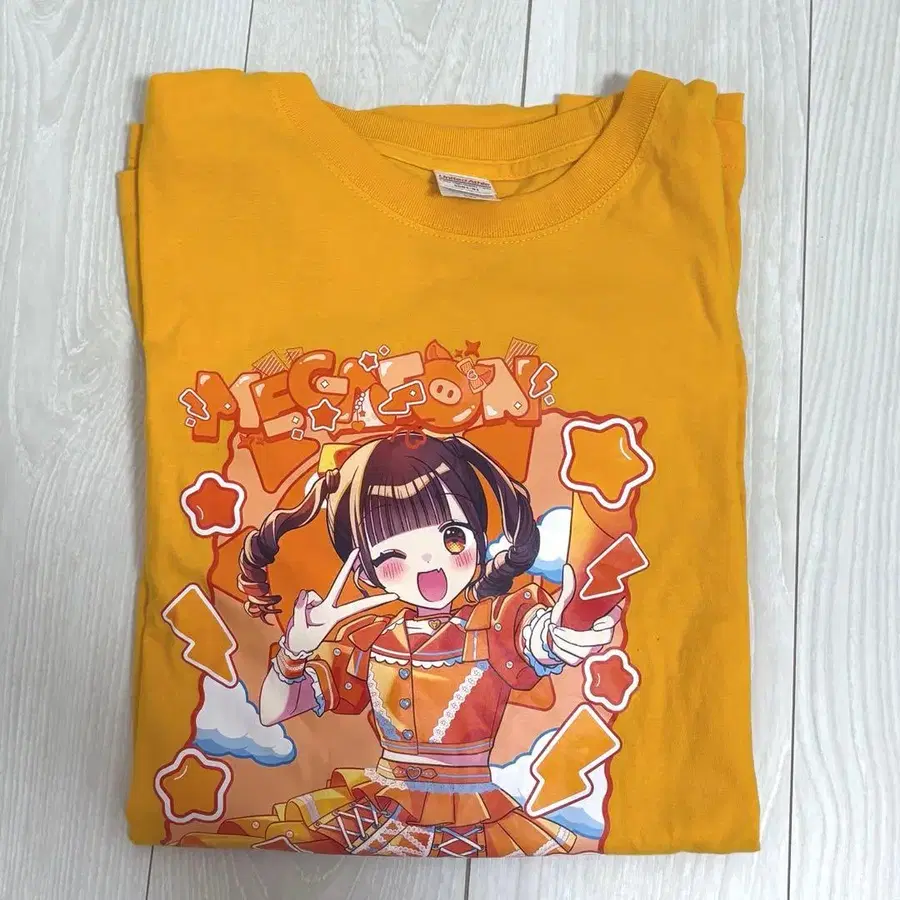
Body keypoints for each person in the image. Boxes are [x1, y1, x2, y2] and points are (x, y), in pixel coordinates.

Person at [234, 433, 618, 857]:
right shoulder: (370, 639)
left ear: (478, 535)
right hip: (381, 802)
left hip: (470, 811)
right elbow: (272, 711)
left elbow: (538, 638)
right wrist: (296, 649)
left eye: (451, 537)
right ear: (365, 569)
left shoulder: (494, 623)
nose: (428, 565)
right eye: (393, 555)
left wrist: (564, 634)